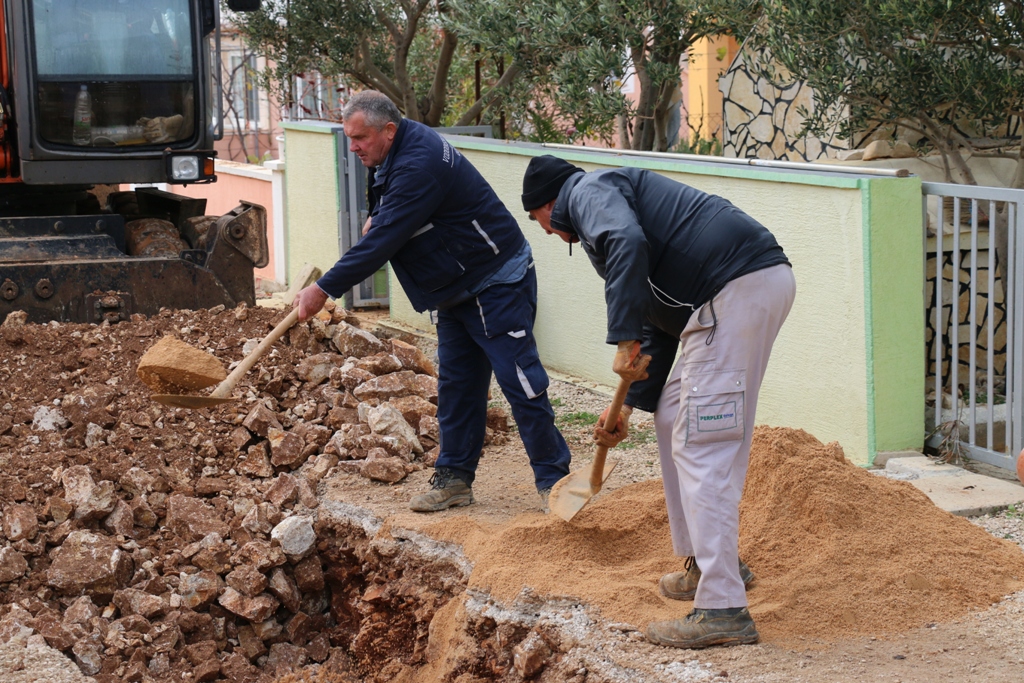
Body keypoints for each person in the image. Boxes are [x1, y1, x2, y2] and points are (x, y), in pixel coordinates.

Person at [521, 155, 795, 649]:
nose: (543, 232)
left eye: (536, 219)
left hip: (733, 291)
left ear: (548, 204)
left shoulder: (587, 191)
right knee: (672, 420)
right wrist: (624, 407)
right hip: (727, 295)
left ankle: (723, 607)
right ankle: (707, 564)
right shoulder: (611, 204)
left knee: (701, 445)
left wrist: (622, 339)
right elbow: (660, 321)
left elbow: (627, 244)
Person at [293, 92, 571, 512]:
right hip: (454, 285)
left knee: (521, 381)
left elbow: (383, 242)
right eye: (349, 138)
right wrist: (383, 213)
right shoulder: (393, 149)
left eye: (360, 138)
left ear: (388, 130)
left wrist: (323, 289)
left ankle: (557, 482)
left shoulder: (419, 162)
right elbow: (389, 215)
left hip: (493, 279)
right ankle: (455, 478)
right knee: (457, 386)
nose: (353, 147)